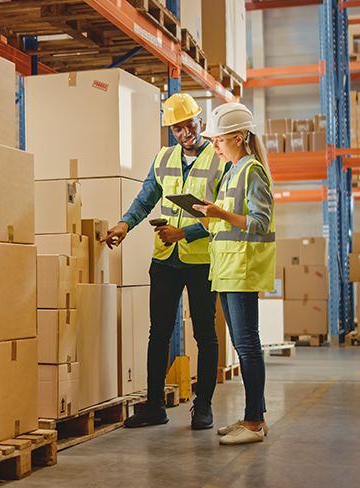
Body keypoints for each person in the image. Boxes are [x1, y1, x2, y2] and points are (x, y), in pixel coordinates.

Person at [103, 93, 229, 430]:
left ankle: (203, 407)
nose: (185, 131)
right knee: (158, 332)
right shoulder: (164, 158)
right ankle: (155, 406)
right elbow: (146, 197)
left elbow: (223, 215)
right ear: (171, 131)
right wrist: (125, 224)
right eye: (177, 127)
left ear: (200, 121)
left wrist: (184, 234)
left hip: (201, 260)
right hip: (166, 260)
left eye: (189, 123)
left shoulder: (219, 160)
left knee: (205, 335)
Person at [192, 102, 275, 445]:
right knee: (244, 347)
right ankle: (252, 416)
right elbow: (227, 222)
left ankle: (255, 422)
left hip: (242, 268)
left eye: (219, 140)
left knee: (247, 346)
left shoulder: (251, 170)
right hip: (226, 268)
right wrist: (206, 216)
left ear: (239, 138)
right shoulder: (231, 171)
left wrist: (221, 215)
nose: (214, 147)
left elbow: (259, 222)